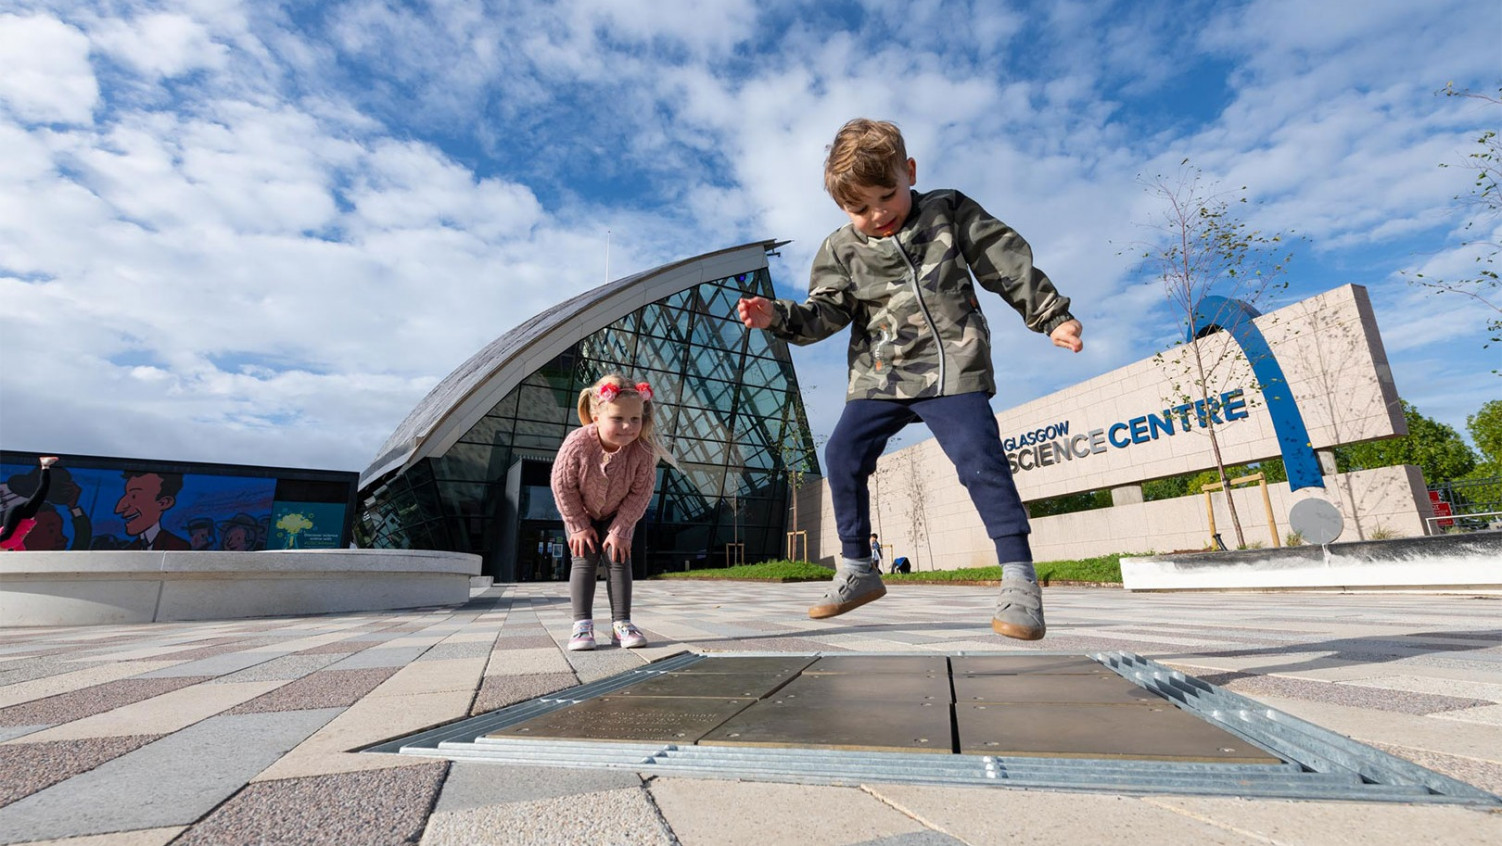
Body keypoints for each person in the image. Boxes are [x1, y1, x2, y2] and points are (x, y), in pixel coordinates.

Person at [736, 118, 1083, 640]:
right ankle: (856, 568)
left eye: (887, 195)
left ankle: (1019, 579)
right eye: (859, 208)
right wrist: (776, 317)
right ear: (840, 208)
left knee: (979, 459)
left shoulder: (947, 211)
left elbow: (1003, 261)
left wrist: (1051, 315)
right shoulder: (839, 251)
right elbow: (824, 313)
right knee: (842, 455)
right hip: (881, 376)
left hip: (952, 366)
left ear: (910, 173)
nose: (877, 215)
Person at [550, 374, 668, 651]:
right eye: (617, 419)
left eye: (635, 419)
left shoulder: (643, 451)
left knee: (619, 559)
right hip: (579, 511)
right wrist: (578, 525)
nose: (628, 426)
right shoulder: (577, 443)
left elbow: (641, 494)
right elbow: (562, 485)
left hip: (618, 513)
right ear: (595, 415)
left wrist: (621, 529)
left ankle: (622, 624)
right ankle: (581, 626)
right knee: (584, 558)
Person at [1, 456, 59, 551]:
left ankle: (45, 465)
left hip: (18, 513)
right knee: (42, 493)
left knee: (7, 534)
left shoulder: (4, 542)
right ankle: (45, 467)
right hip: (26, 516)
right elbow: (22, 551)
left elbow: (6, 534)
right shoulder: (13, 544)